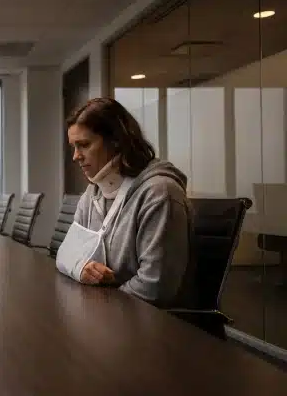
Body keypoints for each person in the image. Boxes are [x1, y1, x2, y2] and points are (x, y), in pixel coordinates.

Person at [58, 97, 196, 308]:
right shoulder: (93, 193)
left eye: (84, 145)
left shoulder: (160, 193)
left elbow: (154, 288)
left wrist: (102, 305)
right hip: (105, 310)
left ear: (116, 140)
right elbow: (65, 254)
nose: (76, 156)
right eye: (73, 147)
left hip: (150, 320)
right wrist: (80, 267)